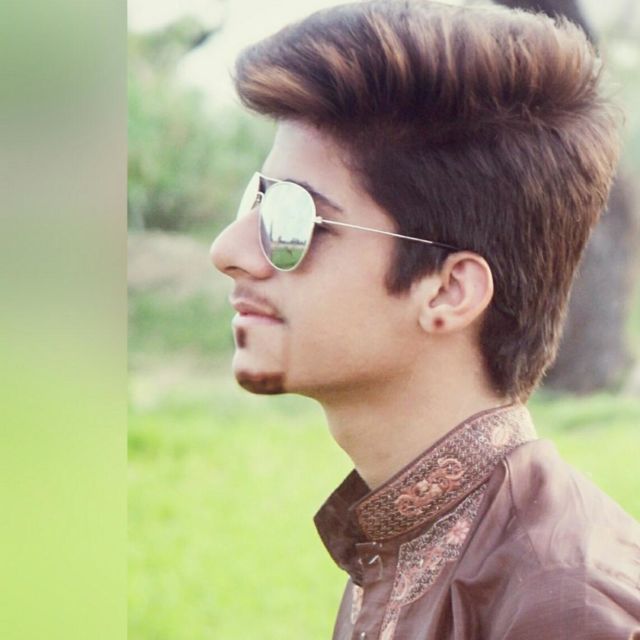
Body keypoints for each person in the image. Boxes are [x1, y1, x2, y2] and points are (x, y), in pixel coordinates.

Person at [210, 1, 640, 638]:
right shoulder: (404, 532)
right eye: (257, 202)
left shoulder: (566, 609)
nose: (228, 251)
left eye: (292, 219)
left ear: (448, 292)